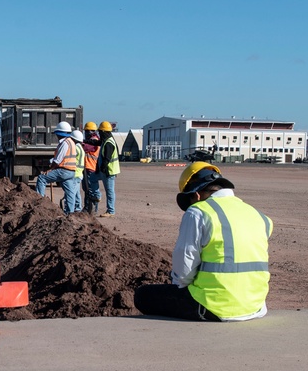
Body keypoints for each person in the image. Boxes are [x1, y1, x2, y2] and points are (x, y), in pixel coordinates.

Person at [134, 162, 272, 322]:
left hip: (213, 306)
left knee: (143, 295)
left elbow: (185, 266)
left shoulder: (198, 212)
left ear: (196, 195)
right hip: (255, 306)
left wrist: (179, 287)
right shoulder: (260, 216)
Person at [35, 121, 78, 214]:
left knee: (41, 178)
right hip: (71, 171)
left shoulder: (64, 143)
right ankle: (70, 212)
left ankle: (39, 204)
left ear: (60, 133)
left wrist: (50, 169)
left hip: (63, 170)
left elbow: (58, 160)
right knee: (70, 192)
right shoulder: (71, 142)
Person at [95, 120, 120, 217]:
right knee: (92, 179)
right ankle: (97, 196)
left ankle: (111, 211)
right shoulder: (106, 140)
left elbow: (107, 158)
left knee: (109, 191)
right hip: (105, 170)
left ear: (104, 132)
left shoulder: (109, 143)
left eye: (100, 132)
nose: (99, 134)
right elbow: (97, 142)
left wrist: (102, 167)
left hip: (109, 171)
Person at [81, 121, 102, 215]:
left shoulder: (94, 140)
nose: (85, 133)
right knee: (88, 190)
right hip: (89, 167)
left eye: (86, 131)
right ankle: (89, 209)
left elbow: (84, 148)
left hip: (90, 168)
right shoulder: (95, 139)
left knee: (90, 190)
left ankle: (90, 209)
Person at [69, 129, 86, 212]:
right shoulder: (81, 148)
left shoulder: (75, 148)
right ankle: (78, 208)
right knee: (77, 193)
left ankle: (75, 209)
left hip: (75, 173)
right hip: (79, 174)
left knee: (72, 192)